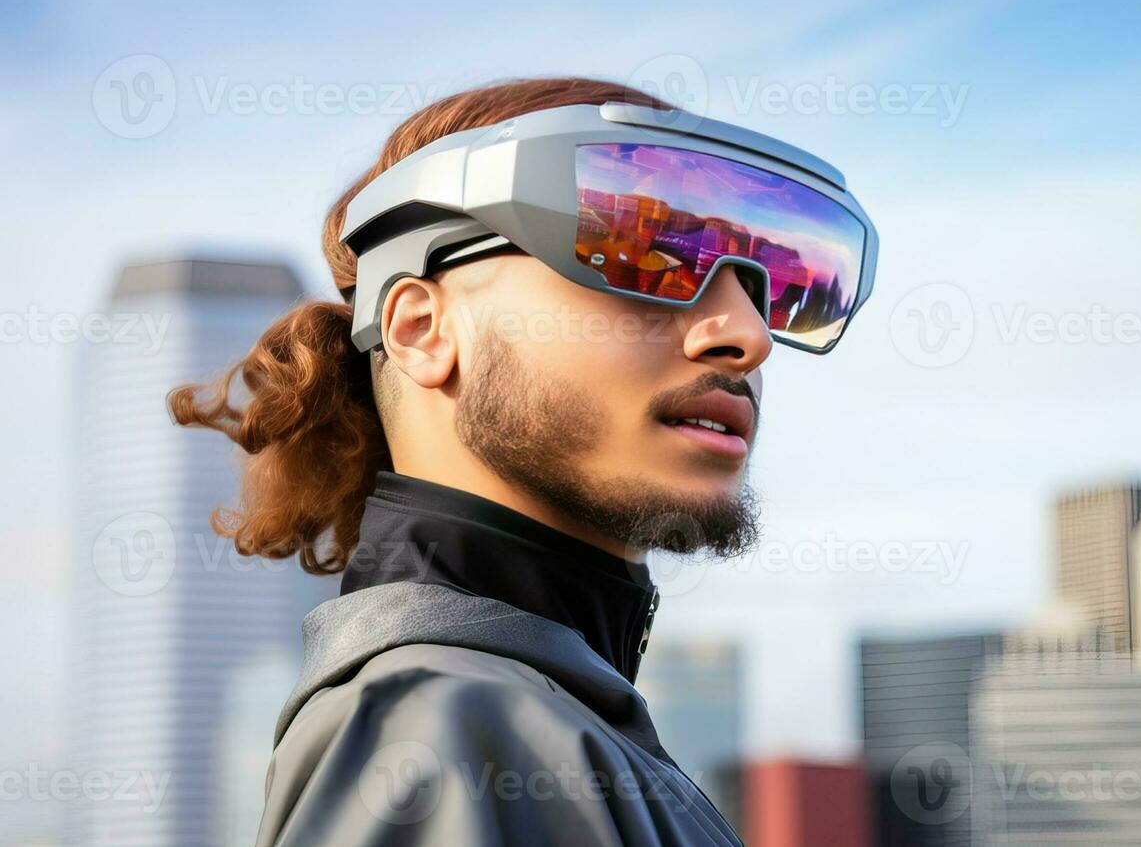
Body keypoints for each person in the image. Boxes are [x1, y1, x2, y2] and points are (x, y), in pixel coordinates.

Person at [169, 76, 878, 845]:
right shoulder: (443, 723)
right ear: (419, 331)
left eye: (770, 287)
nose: (748, 335)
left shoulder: (537, 719)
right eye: (644, 255)